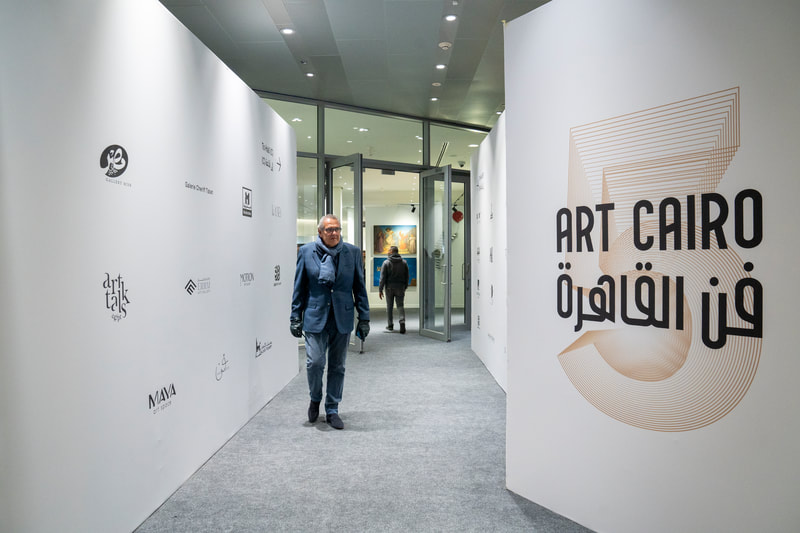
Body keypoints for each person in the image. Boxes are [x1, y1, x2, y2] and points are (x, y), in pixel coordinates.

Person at [290, 214, 370, 430]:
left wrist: (364, 317)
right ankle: (315, 398)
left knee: (338, 366)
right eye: (329, 230)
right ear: (320, 232)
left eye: (337, 229)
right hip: (315, 316)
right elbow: (299, 287)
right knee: (315, 363)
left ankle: (332, 408)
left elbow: (360, 288)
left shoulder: (352, 252)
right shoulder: (306, 252)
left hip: (342, 317)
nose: (334, 233)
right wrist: (295, 316)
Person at [378, 245, 409, 334]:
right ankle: (402, 321)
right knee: (400, 305)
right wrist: (405, 287)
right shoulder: (404, 262)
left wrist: (380, 289)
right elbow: (407, 276)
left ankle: (390, 325)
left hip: (389, 288)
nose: (388, 252)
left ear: (392, 252)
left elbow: (382, 278)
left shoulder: (386, 263)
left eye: (389, 250)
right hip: (400, 287)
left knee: (389, 306)